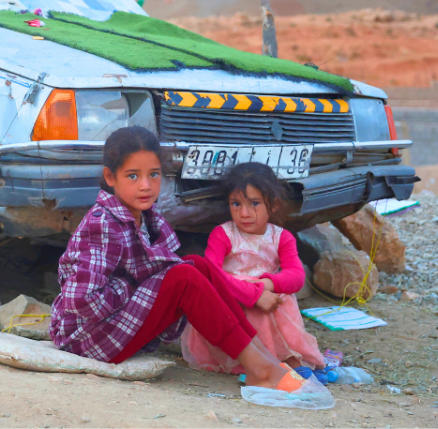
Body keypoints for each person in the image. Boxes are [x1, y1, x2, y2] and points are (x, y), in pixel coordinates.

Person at [49, 126, 310, 393]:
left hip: (119, 326)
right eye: (132, 176)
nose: (145, 186)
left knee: (197, 264)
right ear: (110, 177)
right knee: (183, 277)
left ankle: (264, 360)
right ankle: (261, 370)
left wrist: (147, 290)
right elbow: (80, 300)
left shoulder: (148, 217)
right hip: (88, 337)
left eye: (154, 174)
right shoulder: (103, 222)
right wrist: (136, 291)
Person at [182, 162, 324, 375]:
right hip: (232, 297)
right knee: (252, 304)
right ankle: (250, 362)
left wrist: (266, 284)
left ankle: (287, 357)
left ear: (273, 205)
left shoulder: (281, 237)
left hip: (266, 297)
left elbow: (296, 277)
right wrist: (253, 294)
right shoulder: (223, 234)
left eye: (254, 203)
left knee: (282, 299)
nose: (245, 213)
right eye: (236, 204)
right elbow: (211, 275)